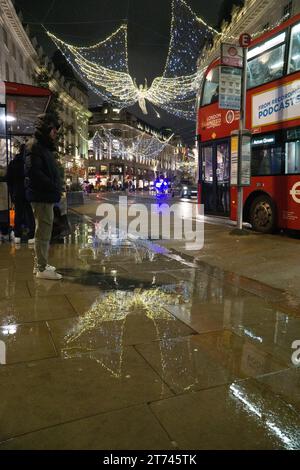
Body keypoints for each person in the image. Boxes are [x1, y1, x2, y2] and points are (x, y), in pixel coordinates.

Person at [25, 113, 63, 280]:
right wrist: (54, 186)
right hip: (42, 196)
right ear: (47, 128)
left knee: (42, 231)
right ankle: (41, 268)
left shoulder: (41, 146)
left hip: (44, 195)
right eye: (54, 130)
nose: (55, 133)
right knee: (43, 233)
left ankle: (39, 264)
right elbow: (35, 173)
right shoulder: (35, 146)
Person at [6, 143, 35, 244]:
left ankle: (18, 234)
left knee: (18, 213)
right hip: (28, 192)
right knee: (29, 213)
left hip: (17, 192)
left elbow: (9, 180)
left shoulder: (13, 163)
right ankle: (31, 234)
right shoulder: (29, 162)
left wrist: (12, 193)